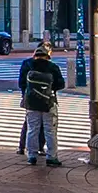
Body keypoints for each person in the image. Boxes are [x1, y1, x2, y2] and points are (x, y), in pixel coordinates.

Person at [17, 39, 65, 167]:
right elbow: (61, 84)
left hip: (31, 102)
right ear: (47, 56)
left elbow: (21, 83)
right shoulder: (52, 67)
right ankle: (52, 156)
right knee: (50, 130)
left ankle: (31, 156)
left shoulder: (27, 65)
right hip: (48, 102)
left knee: (32, 129)